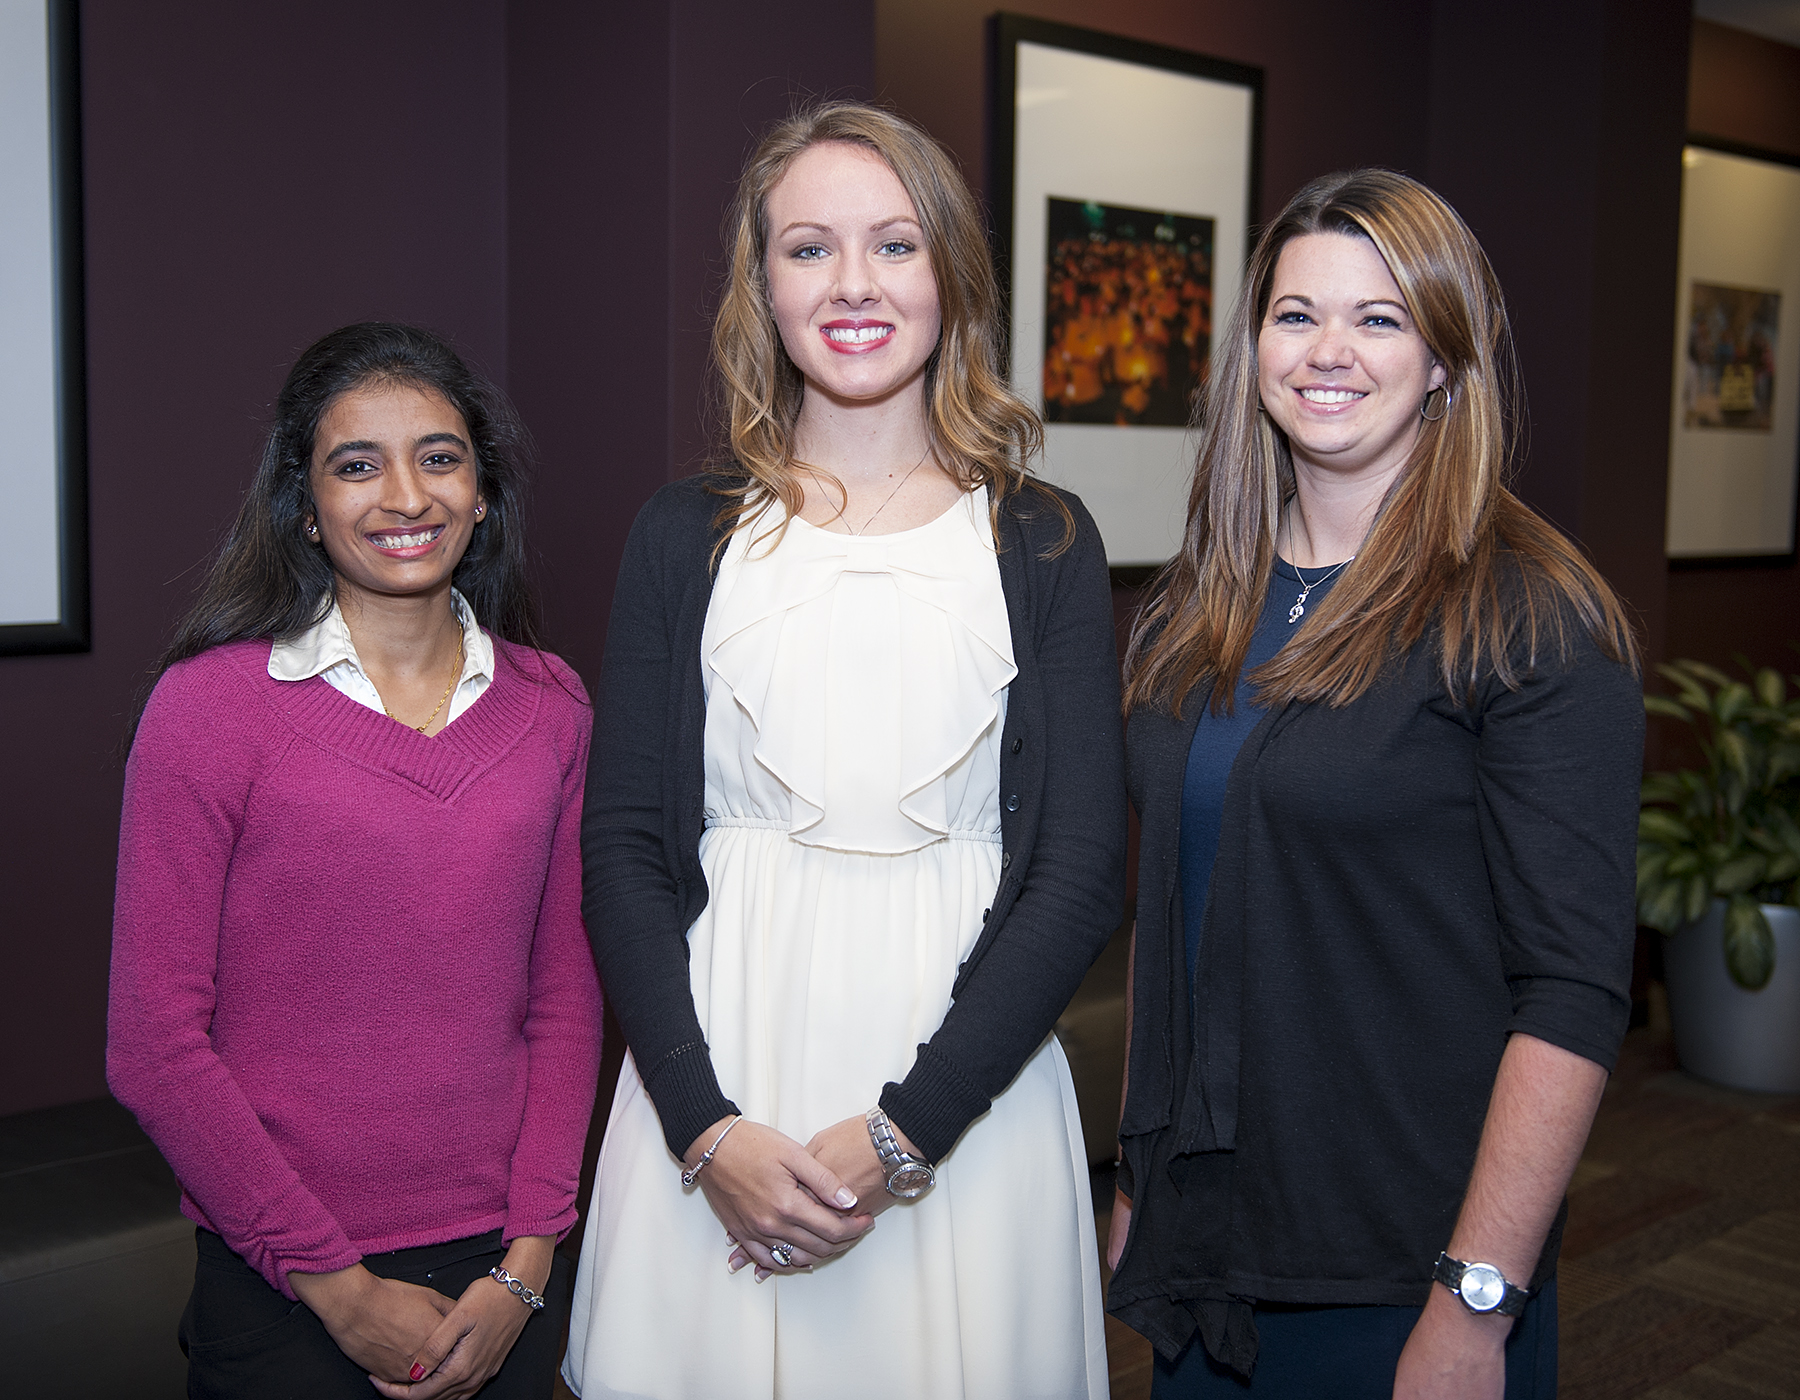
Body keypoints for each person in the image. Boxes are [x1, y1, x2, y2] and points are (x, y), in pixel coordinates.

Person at [561, 101, 1125, 1399]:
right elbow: (625, 851)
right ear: (761, 284)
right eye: (809, 248)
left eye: (895, 244)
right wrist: (705, 1131)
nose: (854, 284)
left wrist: (902, 1135)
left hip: (962, 1098)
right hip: (719, 1078)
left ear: (951, 277)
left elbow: (1083, 870)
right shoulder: (681, 535)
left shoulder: (1041, 541)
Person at [1106, 170, 1643, 1399]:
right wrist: (1138, 1172)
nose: (1329, 350)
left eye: (1380, 318)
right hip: (1206, 1244)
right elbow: (1171, 911)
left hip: (1405, 1265)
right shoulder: (1197, 608)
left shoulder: (1528, 613)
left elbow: (1570, 991)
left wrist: (1477, 1298)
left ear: (1447, 358)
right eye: (1297, 315)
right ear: (1254, 350)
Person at [107, 323, 603, 1400]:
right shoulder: (207, 709)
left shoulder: (555, 707)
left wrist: (527, 1264)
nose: (404, 495)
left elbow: (564, 1001)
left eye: (438, 455)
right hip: (283, 1278)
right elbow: (154, 1046)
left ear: (482, 494)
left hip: (503, 1280)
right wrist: (334, 1283)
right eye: (356, 463)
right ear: (304, 503)